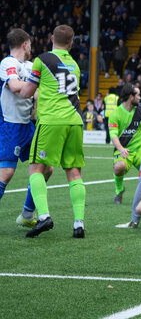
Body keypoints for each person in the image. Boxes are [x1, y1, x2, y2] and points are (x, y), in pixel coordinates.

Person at [19, 24, 86, 238]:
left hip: (52, 121)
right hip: (75, 121)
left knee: (36, 169)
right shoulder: (75, 65)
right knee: (74, 172)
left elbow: (27, 92)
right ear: (71, 42)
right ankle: (79, 224)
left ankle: (44, 216)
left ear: (51, 38)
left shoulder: (42, 60)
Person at [0, 29, 53, 227]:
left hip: (28, 126)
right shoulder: (8, 63)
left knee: (46, 168)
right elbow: (15, 86)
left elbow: (40, 91)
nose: (31, 48)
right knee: (6, 173)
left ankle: (27, 215)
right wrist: (33, 87)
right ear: (25, 44)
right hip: (10, 125)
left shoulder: (30, 66)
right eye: (30, 44)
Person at [109, 83, 141, 204]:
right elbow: (113, 134)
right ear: (131, 96)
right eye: (137, 95)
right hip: (123, 149)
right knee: (119, 167)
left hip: (139, 148)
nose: (140, 97)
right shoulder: (115, 114)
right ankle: (119, 191)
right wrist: (121, 148)